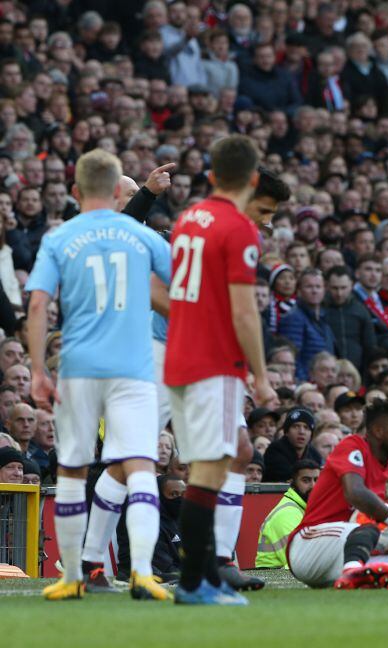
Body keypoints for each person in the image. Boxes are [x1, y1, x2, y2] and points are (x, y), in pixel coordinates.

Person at [119, 165, 290, 593]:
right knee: (135, 462)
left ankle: (215, 561)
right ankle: (135, 568)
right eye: (265, 211)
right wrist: (260, 374)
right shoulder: (218, 231)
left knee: (235, 451)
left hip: (202, 358)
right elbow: (133, 247)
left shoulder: (203, 225)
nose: (267, 223)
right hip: (168, 357)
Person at [26, 149, 172, 602]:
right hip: (133, 368)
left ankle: (72, 576)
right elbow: (178, 295)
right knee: (142, 464)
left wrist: (36, 370)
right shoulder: (144, 238)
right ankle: (144, 573)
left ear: (74, 192)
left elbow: (36, 305)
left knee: (72, 468)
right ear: (116, 191)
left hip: (79, 368)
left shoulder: (58, 238)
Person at [164, 135, 278, 606]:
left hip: (179, 359)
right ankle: (195, 583)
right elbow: (244, 311)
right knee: (212, 472)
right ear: (253, 180)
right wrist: (262, 374)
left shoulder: (188, 217)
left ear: (211, 174)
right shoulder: (239, 228)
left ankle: (204, 575)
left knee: (203, 472)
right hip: (215, 362)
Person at [288, 400, 388, 589]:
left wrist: (387, 539)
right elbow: (354, 493)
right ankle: (352, 573)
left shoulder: (387, 470)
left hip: (346, 551)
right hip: (310, 547)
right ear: (378, 431)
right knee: (367, 529)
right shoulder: (352, 445)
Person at [255, 459, 320, 568]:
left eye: (316, 480)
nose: (313, 486)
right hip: (274, 581)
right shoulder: (287, 513)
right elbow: (301, 560)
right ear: (292, 483)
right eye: (306, 480)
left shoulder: (304, 508)